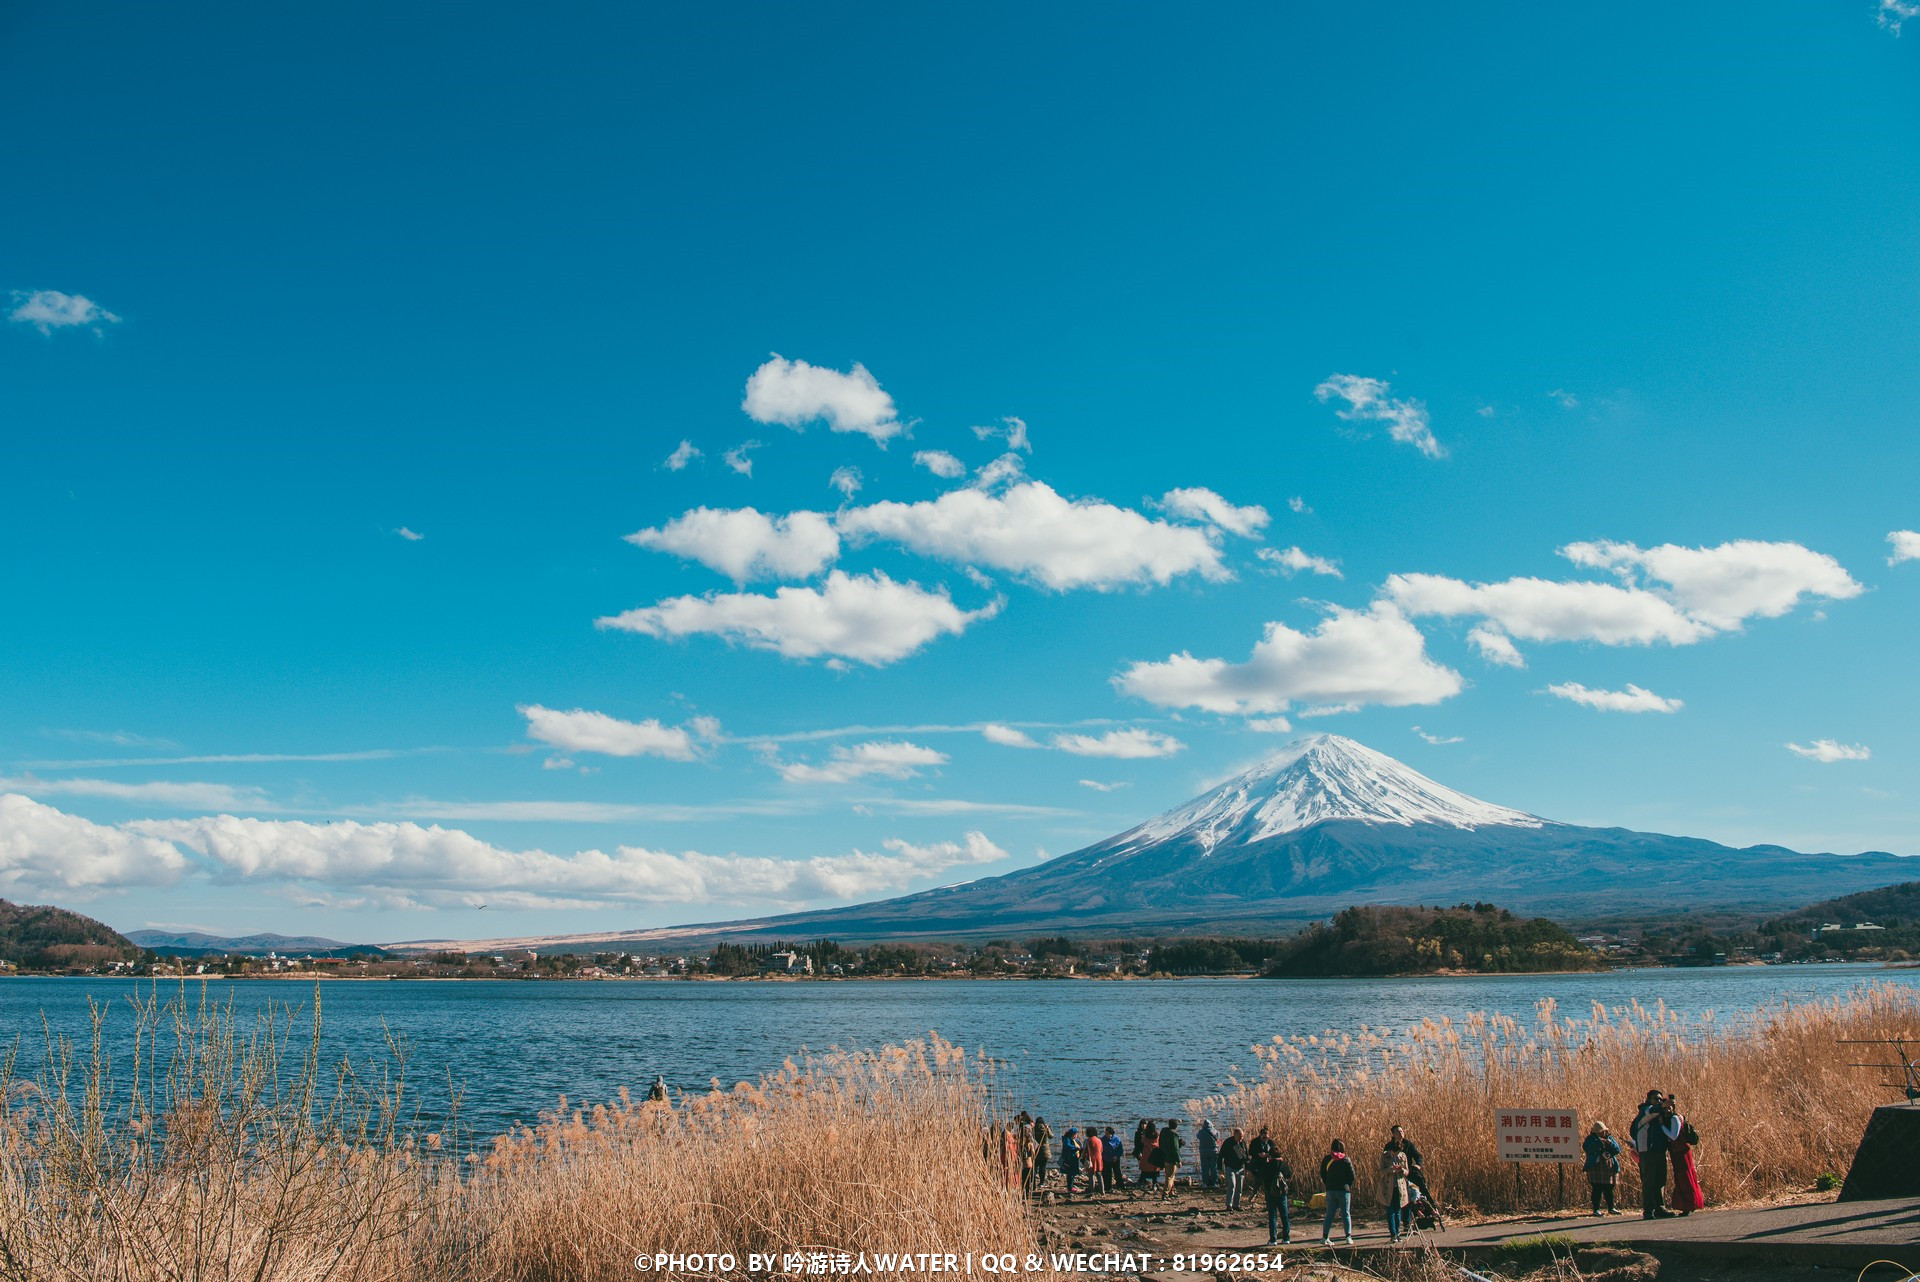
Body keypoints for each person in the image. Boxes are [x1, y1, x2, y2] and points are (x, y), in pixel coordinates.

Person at [1630, 1090, 1675, 1219]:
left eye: (1661, 1099)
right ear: (1649, 1099)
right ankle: (1648, 1211)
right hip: (1647, 1151)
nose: (1659, 1101)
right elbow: (1651, 1112)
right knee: (1649, 1181)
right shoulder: (1645, 1111)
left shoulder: (1660, 1113)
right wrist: (1663, 1105)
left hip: (1660, 1150)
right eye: (1656, 1099)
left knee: (1660, 1180)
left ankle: (1660, 1208)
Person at [1249, 1126, 1291, 1245]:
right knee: (1284, 1215)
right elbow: (1289, 1174)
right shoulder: (1283, 1164)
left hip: (1270, 1192)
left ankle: (1273, 1239)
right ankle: (1286, 1238)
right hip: (1282, 1193)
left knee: (1272, 1216)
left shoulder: (1267, 1166)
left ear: (1270, 1155)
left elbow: (1260, 1174)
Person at [1665, 1097, 1705, 1215]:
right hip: (1678, 1152)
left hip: (1681, 1151)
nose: (1667, 1110)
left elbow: (1674, 1135)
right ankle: (1688, 1204)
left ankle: (1689, 1204)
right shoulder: (1674, 1117)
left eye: (1669, 1107)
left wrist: (1662, 1126)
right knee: (1683, 1176)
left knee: (1685, 1177)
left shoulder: (1674, 1118)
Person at [1319, 1139, 1356, 1247]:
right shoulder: (1346, 1159)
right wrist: (1348, 1185)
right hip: (1343, 1190)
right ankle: (1348, 1236)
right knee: (1346, 1213)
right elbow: (1352, 1175)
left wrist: (1328, 1183)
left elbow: (1322, 1173)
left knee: (1329, 1213)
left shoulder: (1327, 1159)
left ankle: (1325, 1237)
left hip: (1330, 1190)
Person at [1583, 1122, 1623, 1215]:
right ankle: (1596, 1209)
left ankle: (1611, 1208)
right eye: (1600, 1133)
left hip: (1609, 1167)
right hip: (1596, 1167)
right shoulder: (1590, 1139)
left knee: (1609, 1188)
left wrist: (1610, 1144)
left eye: (1603, 1132)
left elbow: (1617, 1150)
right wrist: (1599, 1142)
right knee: (1597, 1188)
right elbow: (1587, 1148)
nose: (1602, 1134)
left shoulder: (1610, 1138)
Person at [1381, 1148, 1412, 1242]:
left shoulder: (1402, 1156)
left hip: (1399, 1187)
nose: (1396, 1154)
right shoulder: (1385, 1156)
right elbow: (1381, 1170)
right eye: (1394, 1151)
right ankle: (1393, 1234)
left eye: (1397, 1152)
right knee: (1390, 1211)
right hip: (1388, 1187)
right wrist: (1390, 1169)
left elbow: (1407, 1172)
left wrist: (1401, 1170)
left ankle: (1398, 1234)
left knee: (1398, 1211)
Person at [1220, 1126, 1249, 1211]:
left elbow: (1246, 1156)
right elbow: (1221, 1155)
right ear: (1235, 1135)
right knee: (1232, 1185)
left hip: (1240, 1167)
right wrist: (1220, 1169)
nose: (1241, 1138)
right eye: (1240, 1136)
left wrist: (1247, 1168)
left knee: (1239, 1188)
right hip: (1230, 1167)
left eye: (1242, 1136)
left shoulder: (1242, 1143)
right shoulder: (1228, 1142)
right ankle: (1229, 1204)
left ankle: (1236, 1205)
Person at [1155, 1120, 1183, 1200]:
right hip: (1171, 1159)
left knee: (1170, 1175)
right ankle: (1165, 1193)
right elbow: (1175, 1149)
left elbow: (1160, 1143)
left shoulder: (1163, 1132)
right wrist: (1178, 1160)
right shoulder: (1174, 1135)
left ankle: (1171, 1192)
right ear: (1176, 1126)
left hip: (1165, 1157)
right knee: (1170, 1176)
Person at [1058, 1128, 1081, 1200]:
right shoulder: (1067, 1139)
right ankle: (1070, 1187)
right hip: (1069, 1159)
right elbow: (1067, 1146)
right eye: (1075, 1134)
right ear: (1072, 1134)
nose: (1076, 1135)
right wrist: (1075, 1148)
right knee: (1070, 1173)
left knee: (1073, 1173)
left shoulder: (1075, 1140)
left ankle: (1071, 1186)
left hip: (1074, 1159)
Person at [1081, 1120, 1103, 1195]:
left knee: (1091, 1174)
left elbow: (1084, 1150)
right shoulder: (1099, 1140)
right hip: (1099, 1159)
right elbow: (1101, 1150)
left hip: (1091, 1159)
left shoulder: (1087, 1141)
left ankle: (1091, 1189)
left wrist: (1082, 1158)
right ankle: (1102, 1190)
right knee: (1099, 1174)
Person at [1031, 1117, 1053, 1192]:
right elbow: (1051, 1136)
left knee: (1035, 1167)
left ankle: (1033, 1183)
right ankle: (1041, 1182)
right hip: (1045, 1150)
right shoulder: (1045, 1128)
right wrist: (1048, 1128)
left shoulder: (1033, 1129)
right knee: (1043, 1166)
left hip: (1036, 1149)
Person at [1137, 1120, 1160, 1189]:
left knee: (1145, 1168)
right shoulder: (1156, 1134)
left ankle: (1141, 1182)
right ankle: (1154, 1183)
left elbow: (1142, 1141)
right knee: (1154, 1168)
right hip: (1155, 1152)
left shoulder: (1145, 1135)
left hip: (1146, 1152)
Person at [1197, 1119, 1219, 1191]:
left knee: (1204, 1168)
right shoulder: (1215, 1131)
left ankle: (1205, 1183)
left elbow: (1198, 1136)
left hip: (1203, 1151)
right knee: (1214, 1168)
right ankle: (1215, 1183)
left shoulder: (1201, 1132)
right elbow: (1218, 1137)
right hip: (1214, 1151)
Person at [1104, 1128, 1124, 1194]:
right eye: (1105, 1133)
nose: (1106, 1135)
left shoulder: (1116, 1139)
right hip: (1106, 1159)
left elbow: (1120, 1150)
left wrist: (1117, 1156)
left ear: (1111, 1134)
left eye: (1107, 1134)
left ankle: (1120, 1186)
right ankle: (1107, 1187)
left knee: (1117, 1172)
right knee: (1107, 1174)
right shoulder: (1103, 1139)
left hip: (1115, 1159)